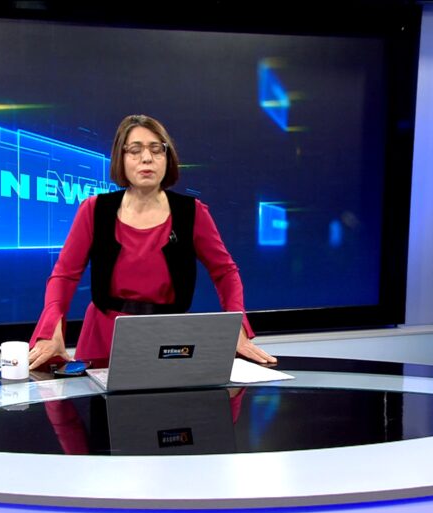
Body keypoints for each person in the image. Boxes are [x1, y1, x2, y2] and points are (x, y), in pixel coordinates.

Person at [28, 114, 276, 371]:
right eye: (135, 150)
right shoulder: (94, 209)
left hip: (170, 338)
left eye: (156, 149)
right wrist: (50, 329)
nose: (146, 158)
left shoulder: (192, 212)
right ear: (121, 158)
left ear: (167, 158)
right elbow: (64, 277)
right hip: (102, 339)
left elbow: (225, 272)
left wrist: (237, 327)